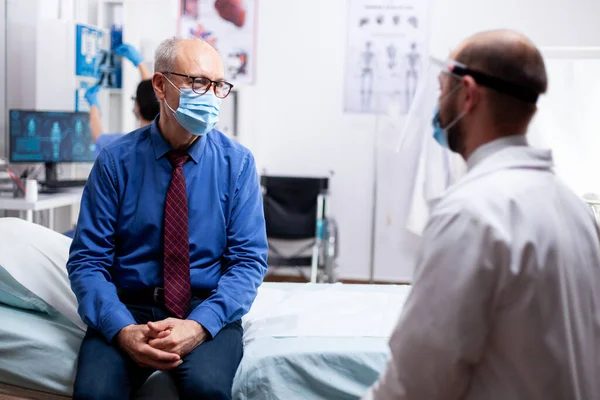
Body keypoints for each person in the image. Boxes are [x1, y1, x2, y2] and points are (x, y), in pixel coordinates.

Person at [363, 29, 600, 400]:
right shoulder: (575, 210)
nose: (438, 104)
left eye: (442, 90)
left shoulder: (470, 214)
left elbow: (416, 385)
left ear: (469, 94)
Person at [67, 37, 267, 400]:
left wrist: (200, 325)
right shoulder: (116, 162)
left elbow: (248, 261)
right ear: (160, 85)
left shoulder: (237, 165)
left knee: (207, 389)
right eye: (196, 82)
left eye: (217, 85)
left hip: (204, 305)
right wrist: (121, 328)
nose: (208, 95)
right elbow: (87, 260)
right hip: (128, 304)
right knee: (95, 394)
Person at [85, 43, 159, 155]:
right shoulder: (165, 140)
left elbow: (98, 137)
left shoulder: (125, 144)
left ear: (137, 108)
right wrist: (140, 64)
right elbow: (151, 95)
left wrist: (93, 104)